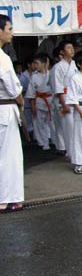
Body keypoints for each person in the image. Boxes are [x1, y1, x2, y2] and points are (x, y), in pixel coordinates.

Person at [0, 14, 25, 213]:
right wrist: (21, 102)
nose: (12, 33)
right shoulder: (3, 58)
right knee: (9, 156)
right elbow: (14, 89)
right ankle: (6, 199)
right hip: (5, 109)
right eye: (9, 29)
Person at [52, 40, 78, 158]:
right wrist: (64, 104)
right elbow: (58, 88)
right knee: (68, 128)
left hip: (75, 98)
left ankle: (79, 151)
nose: (72, 50)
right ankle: (70, 152)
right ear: (62, 52)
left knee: (76, 127)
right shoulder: (57, 67)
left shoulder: (75, 65)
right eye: (68, 48)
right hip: (64, 99)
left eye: (72, 47)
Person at [25, 53, 54, 150]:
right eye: (34, 63)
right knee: (40, 123)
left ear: (44, 64)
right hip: (39, 100)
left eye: (37, 63)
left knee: (52, 122)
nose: (35, 65)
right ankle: (43, 142)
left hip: (50, 100)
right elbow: (31, 93)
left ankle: (54, 140)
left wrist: (47, 68)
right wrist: (32, 105)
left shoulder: (51, 74)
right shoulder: (34, 76)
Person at [19, 56, 35, 136]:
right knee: (28, 119)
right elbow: (20, 90)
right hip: (26, 100)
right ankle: (29, 136)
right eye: (33, 63)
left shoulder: (36, 74)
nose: (35, 65)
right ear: (29, 65)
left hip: (35, 100)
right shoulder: (23, 76)